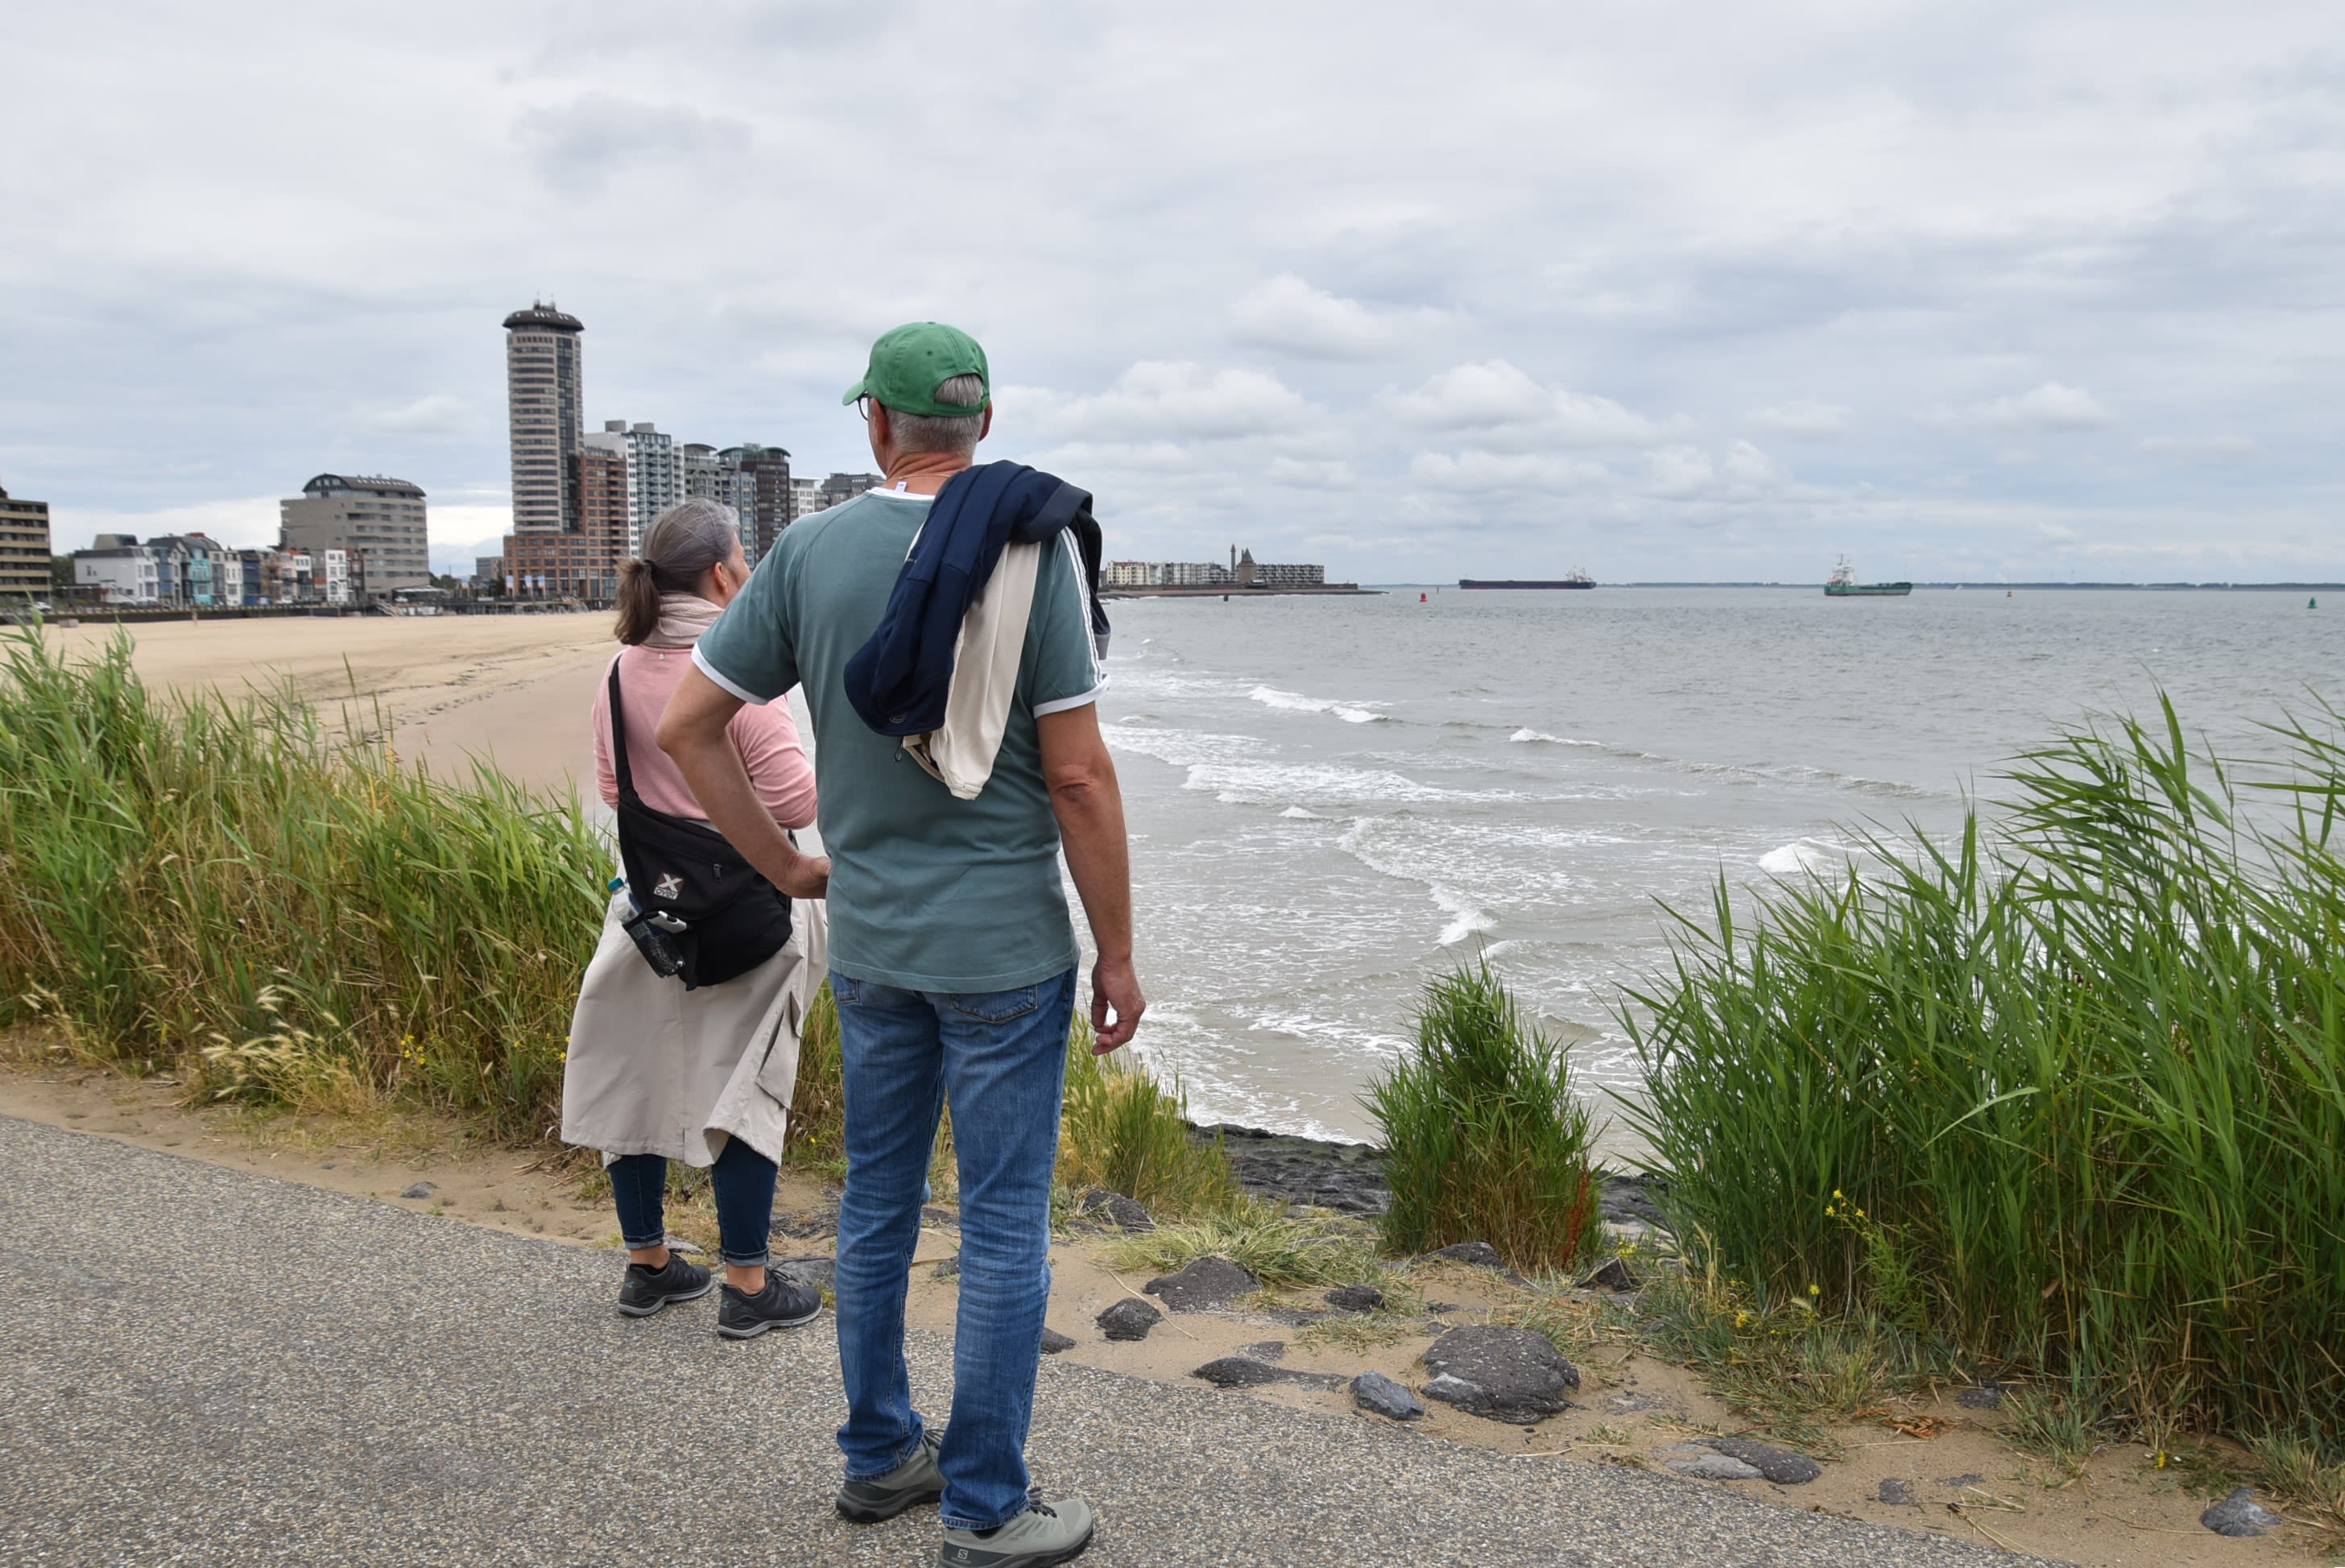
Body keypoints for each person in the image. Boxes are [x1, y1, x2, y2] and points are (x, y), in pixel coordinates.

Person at [659, 322, 1139, 1568]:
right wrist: (1120, 952)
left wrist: (789, 865)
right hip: (1005, 956)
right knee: (1000, 1224)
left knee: (874, 1203)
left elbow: (689, 723)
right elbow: (1079, 780)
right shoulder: (1038, 556)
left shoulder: (810, 551)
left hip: (869, 941)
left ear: (875, 423)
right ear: (982, 422)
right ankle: (985, 1507)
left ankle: (880, 1458)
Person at [560, 498, 831, 1339]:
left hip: (649, 905)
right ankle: (747, 1287)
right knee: (745, 1082)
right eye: (744, 556)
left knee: (635, 1072)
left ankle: (650, 1266)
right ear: (723, 574)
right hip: (746, 906)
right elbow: (794, 799)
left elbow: (616, 792)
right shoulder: (735, 675)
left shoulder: (618, 673)